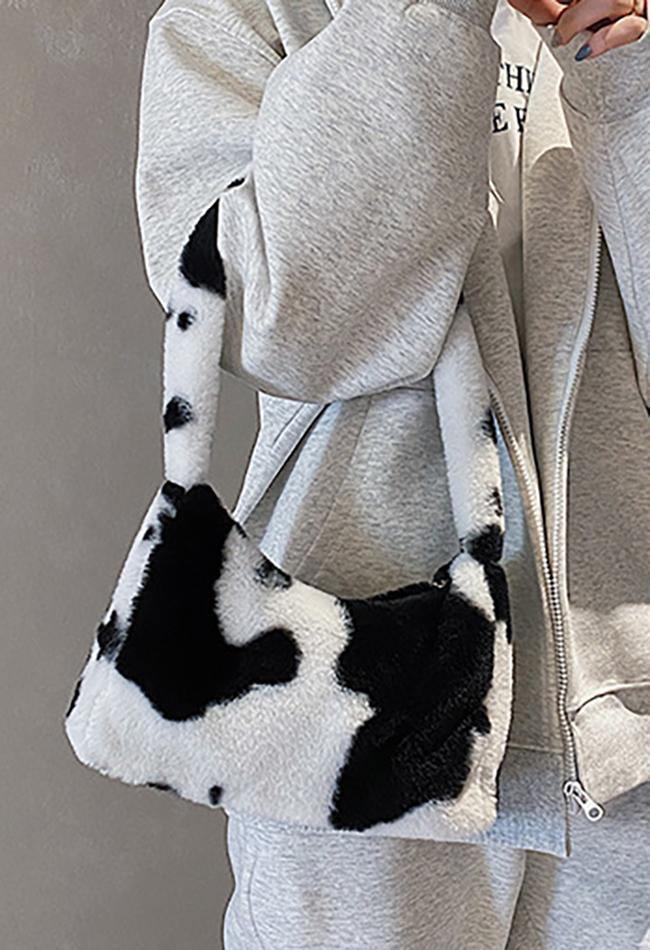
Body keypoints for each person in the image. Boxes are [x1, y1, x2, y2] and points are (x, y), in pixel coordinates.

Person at [133, 0, 650, 946]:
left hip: (631, 720)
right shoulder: (238, 12)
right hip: (351, 717)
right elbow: (279, 325)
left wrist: (632, 84)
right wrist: (423, 15)